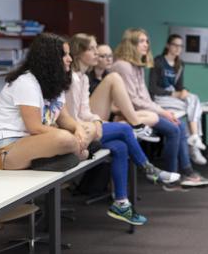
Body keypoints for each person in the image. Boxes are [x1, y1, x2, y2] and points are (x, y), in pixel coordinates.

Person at [67, 33, 181, 225]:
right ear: (79, 52)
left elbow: (85, 112)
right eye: (92, 49)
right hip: (75, 131)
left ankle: (121, 203)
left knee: (121, 147)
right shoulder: (72, 79)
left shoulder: (83, 78)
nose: (97, 53)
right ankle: (149, 168)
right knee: (125, 129)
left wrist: (97, 122)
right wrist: (96, 124)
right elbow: (70, 118)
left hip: (88, 125)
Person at [112, 28, 208, 188]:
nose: (146, 44)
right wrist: (163, 111)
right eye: (141, 41)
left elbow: (143, 97)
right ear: (130, 44)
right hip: (130, 114)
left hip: (143, 110)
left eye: (147, 41)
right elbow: (135, 100)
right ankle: (173, 175)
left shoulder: (137, 66)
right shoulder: (123, 66)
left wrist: (163, 111)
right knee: (175, 128)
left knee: (178, 124)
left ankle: (182, 171)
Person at [0, 33, 90, 170]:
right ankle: (76, 153)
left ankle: (67, 157)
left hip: (32, 141)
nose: (70, 59)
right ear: (50, 59)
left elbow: (65, 118)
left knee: (88, 130)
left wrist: (77, 128)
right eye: (65, 55)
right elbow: (35, 128)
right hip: (7, 148)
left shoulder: (54, 82)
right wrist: (74, 138)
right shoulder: (26, 82)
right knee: (65, 138)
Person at [149, 34, 207, 165]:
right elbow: (153, 88)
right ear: (168, 45)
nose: (177, 48)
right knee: (195, 108)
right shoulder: (158, 61)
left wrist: (184, 90)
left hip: (174, 99)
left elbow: (179, 86)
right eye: (175, 45)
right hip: (160, 98)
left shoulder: (180, 64)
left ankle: (194, 138)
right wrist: (174, 94)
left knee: (193, 99)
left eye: (180, 46)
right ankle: (195, 142)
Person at [84, 42, 158, 142]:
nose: (108, 59)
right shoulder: (87, 77)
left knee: (153, 117)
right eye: (103, 56)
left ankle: (127, 126)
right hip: (96, 117)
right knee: (114, 77)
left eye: (110, 55)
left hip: (112, 116)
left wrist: (124, 111)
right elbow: (86, 106)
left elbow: (114, 104)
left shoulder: (107, 74)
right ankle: (136, 126)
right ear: (96, 57)